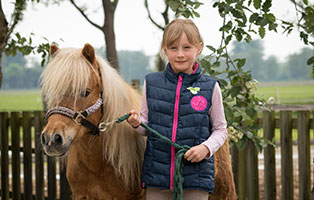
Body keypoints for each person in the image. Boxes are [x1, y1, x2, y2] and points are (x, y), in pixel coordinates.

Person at [127, 18, 228, 200]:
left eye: (187, 47)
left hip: (195, 179)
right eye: (173, 48)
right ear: (165, 49)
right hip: (158, 178)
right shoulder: (151, 82)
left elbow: (220, 129)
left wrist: (205, 148)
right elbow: (146, 127)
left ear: (199, 48)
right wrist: (136, 123)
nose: (180, 54)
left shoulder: (210, 87)